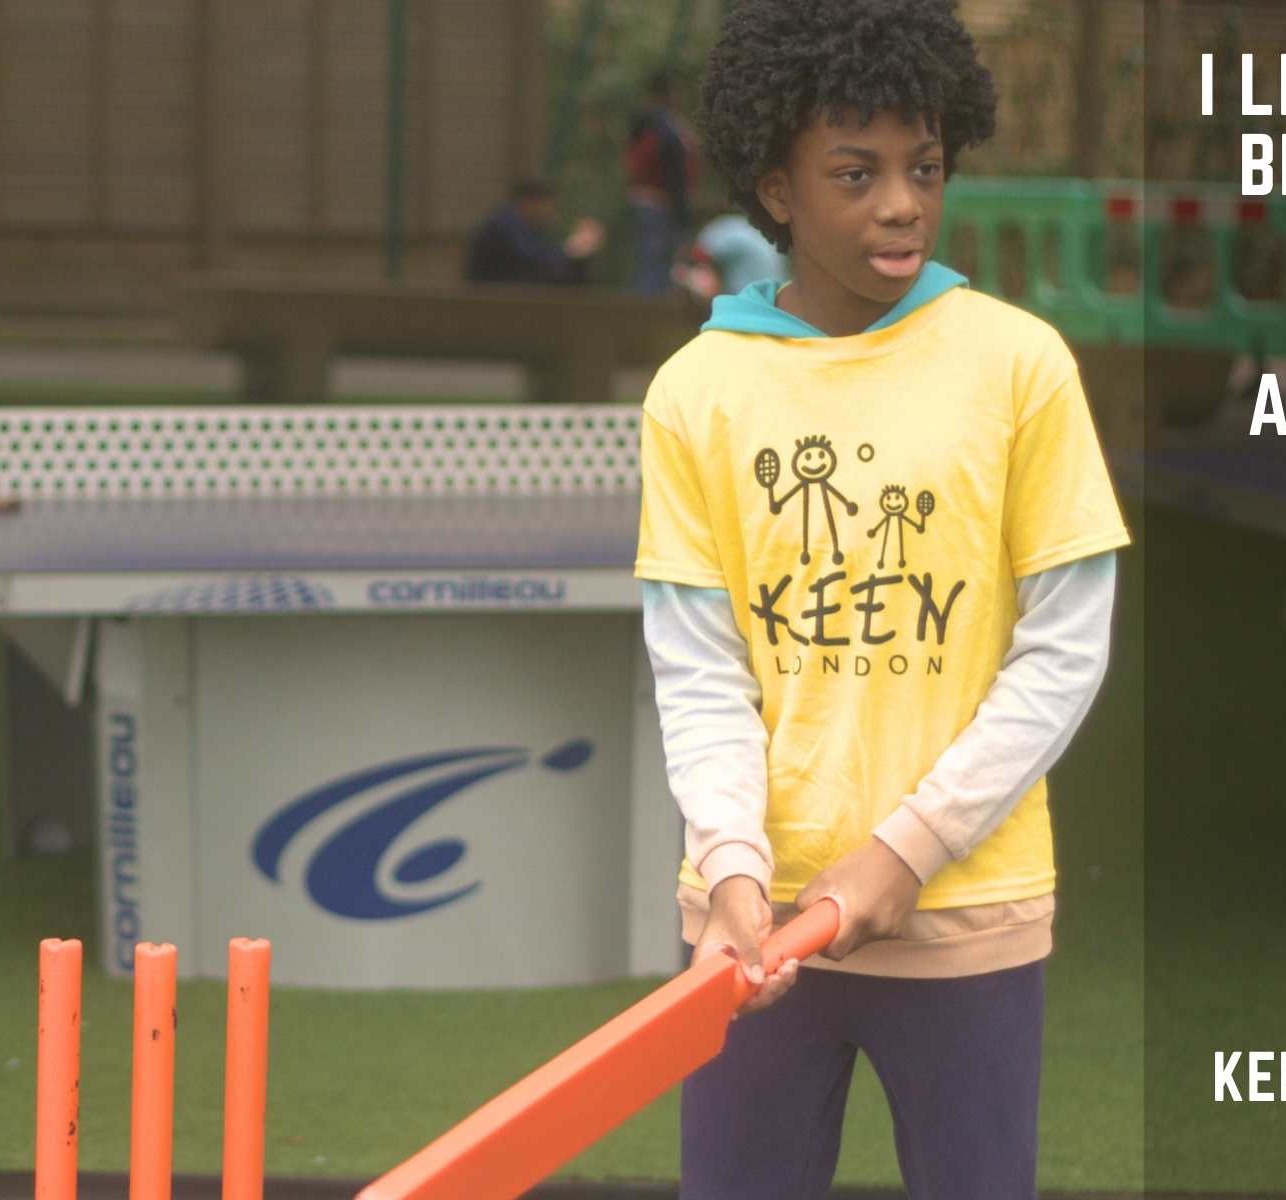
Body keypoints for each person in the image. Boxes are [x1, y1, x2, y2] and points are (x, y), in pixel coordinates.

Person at [633, 2, 1128, 1197]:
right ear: (777, 188)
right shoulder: (697, 389)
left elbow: (1062, 649)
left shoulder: (1018, 365)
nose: (900, 204)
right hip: (751, 935)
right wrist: (737, 868)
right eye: (854, 174)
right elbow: (700, 667)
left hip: (966, 919)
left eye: (923, 167)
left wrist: (906, 852)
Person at [624, 69, 699, 295]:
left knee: (652, 258)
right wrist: (681, 206)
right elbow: (672, 167)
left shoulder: (646, 123)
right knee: (656, 259)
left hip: (646, 197)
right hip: (660, 200)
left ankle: (649, 301)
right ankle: (649, 309)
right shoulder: (663, 125)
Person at [463, 179, 606, 285]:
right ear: (530, 203)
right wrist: (572, 250)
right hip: (495, 294)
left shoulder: (525, 226)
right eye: (549, 205)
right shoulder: (506, 222)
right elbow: (531, 258)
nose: (551, 212)